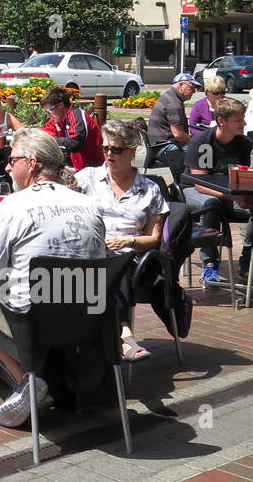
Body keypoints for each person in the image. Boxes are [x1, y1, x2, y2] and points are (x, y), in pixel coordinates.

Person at [0, 129, 107, 427]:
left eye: (11, 159)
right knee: (41, 293)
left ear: (31, 164)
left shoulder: (13, 205)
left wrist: (11, 273)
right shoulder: (89, 204)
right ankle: (39, 380)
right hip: (89, 316)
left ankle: (29, 381)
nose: (6, 166)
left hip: (35, 319)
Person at [76, 120, 179, 362]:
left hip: (128, 257)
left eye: (117, 149)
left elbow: (154, 239)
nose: (109, 154)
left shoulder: (149, 189)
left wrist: (128, 240)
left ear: (132, 152)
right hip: (89, 251)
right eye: (105, 148)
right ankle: (121, 334)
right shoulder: (85, 179)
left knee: (115, 265)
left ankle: (119, 335)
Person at [184, 96, 253, 283]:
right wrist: (234, 199)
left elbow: (250, 176)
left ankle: (248, 262)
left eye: (243, 118)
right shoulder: (202, 143)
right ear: (221, 121)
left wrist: (247, 197)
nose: (244, 123)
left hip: (232, 195)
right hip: (195, 192)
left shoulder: (244, 144)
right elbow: (201, 184)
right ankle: (209, 264)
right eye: (238, 120)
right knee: (212, 204)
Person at [40, 86, 103, 170]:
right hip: (77, 168)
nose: (48, 116)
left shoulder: (76, 115)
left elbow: (75, 143)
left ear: (61, 105)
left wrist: (50, 140)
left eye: (49, 111)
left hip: (94, 169)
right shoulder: (57, 120)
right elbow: (40, 133)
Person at [148, 73, 196, 168]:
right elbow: (178, 134)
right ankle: (192, 180)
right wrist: (195, 142)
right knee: (203, 152)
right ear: (181, 85)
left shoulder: (170, 97)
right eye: (192, 87)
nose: (194, 91)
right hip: (164, 148)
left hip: (159, 146)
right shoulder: (174, 103)